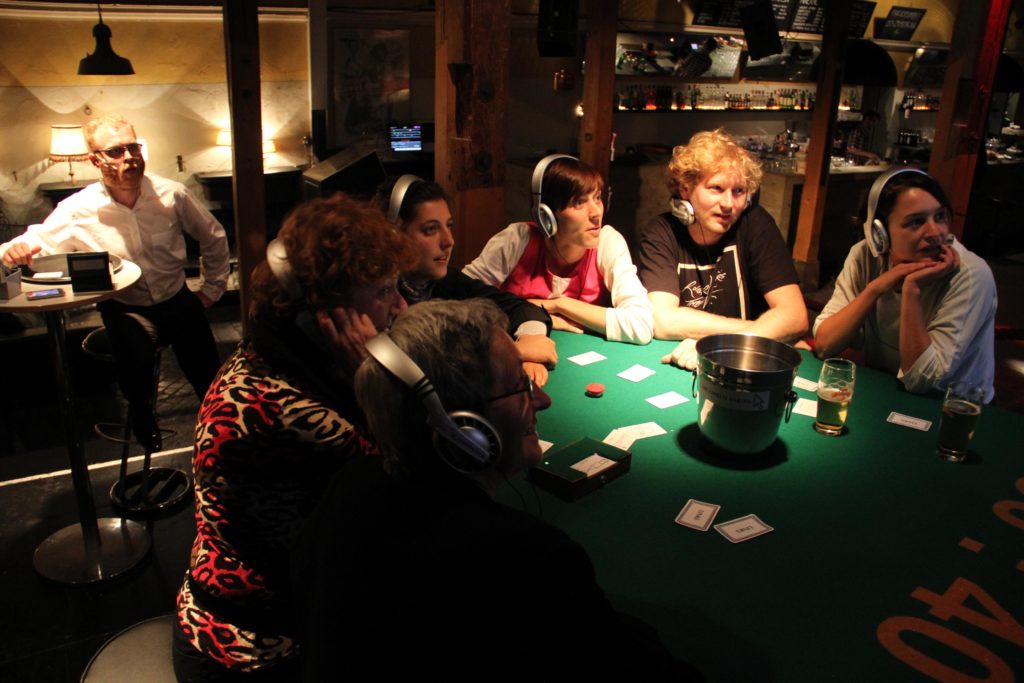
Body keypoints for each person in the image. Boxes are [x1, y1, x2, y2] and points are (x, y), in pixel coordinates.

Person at [294, 299, 703, 680]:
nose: (542, 400)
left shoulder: (348, 486)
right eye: (520, 387)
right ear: (465, 432)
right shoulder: (529, 558)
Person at [173, 194, 417, 681]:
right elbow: (404, 487)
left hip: (295, 619)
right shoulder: (278, 407)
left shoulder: (286, 360)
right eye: (384, 290)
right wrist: (368, 380)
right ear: (319, 313)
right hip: (255, 651)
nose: (401, 305)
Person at [0, 113, 229, 451]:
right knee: (134, 362)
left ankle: (220, 434)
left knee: (207, 370)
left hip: (176, 296)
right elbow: (31, 242)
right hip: (124, 304)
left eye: (134, 147)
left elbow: (213, 236)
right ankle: (142, 417)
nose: (130, 157)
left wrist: (211, 289)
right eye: (117, 151)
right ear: (95, 159)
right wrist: (13, 251)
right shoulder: (78, 209)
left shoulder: (171, 194)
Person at [813, 169, 996, 402]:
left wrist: (912, 290)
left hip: (951, 408)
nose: (935, 232)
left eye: (939, 217)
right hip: (887, 393)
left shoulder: (970, 275)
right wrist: (875, 288)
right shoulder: (865, 255)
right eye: (917, 222)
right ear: (880, 233)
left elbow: (922, 380)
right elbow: (825, 345)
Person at [635, 128, 807, 369]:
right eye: (716, 188)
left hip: (743, 364)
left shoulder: (755, 223)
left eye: (738, 191)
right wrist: (762, 332)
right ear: (685, 188)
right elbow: (662, 320)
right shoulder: (661, 233)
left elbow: (795, 316)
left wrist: (721, 346)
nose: (728, 204)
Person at [463, 155, 654, 345]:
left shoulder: (607, 242)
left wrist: (559, 305)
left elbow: (641, 325)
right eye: (579, 202)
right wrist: (540, 317)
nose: (596, 212)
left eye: (597, 198)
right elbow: (456, 297)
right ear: (546, 215)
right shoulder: (516, 239)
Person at [389, 175, 557, 386]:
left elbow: (523, 309)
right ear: (394, 235)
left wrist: (529, 339)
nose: (449, 241)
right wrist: (513, 352)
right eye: (430, 229)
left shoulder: (447, 280)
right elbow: (414, 363)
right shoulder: (379, 298)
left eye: (448, 226)